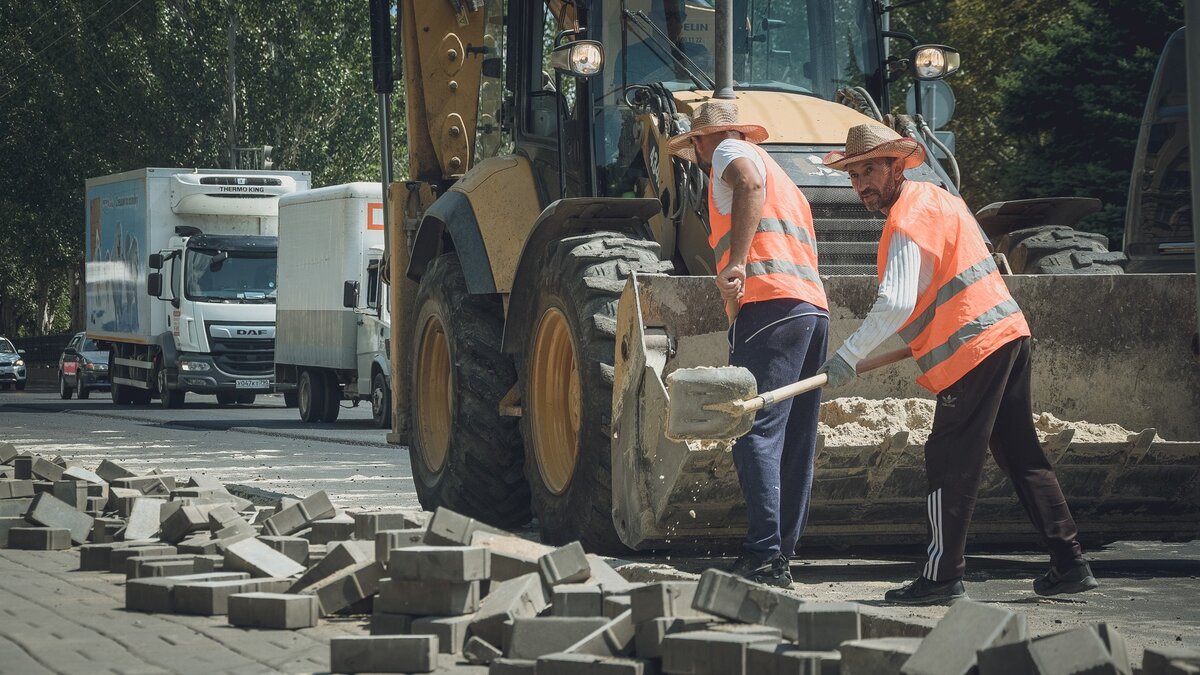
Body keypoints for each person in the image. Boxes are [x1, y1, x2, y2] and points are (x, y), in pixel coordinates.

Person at [817, 124, 1099, 604]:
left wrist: (847, 356)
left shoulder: (906, 218)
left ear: (897, 165)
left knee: (949, 460)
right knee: (1020, 454)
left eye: (870, 169)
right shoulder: (943, 200)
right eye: (854, 173)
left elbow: (895, 303)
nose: (862, 182)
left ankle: (942, 575)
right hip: (1007, 334)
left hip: (975, 352)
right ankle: (1070, 564)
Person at [667, 100, 828, 587]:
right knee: (795, 438)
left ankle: (763, 555)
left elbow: (748, 186)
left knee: (752, 428)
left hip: (771, 304)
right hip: (810, 309)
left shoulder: (727, 152)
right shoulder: (785, 178)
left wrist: (736, 263)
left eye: (693, 142)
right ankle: (781, 551)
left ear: (700, 139)